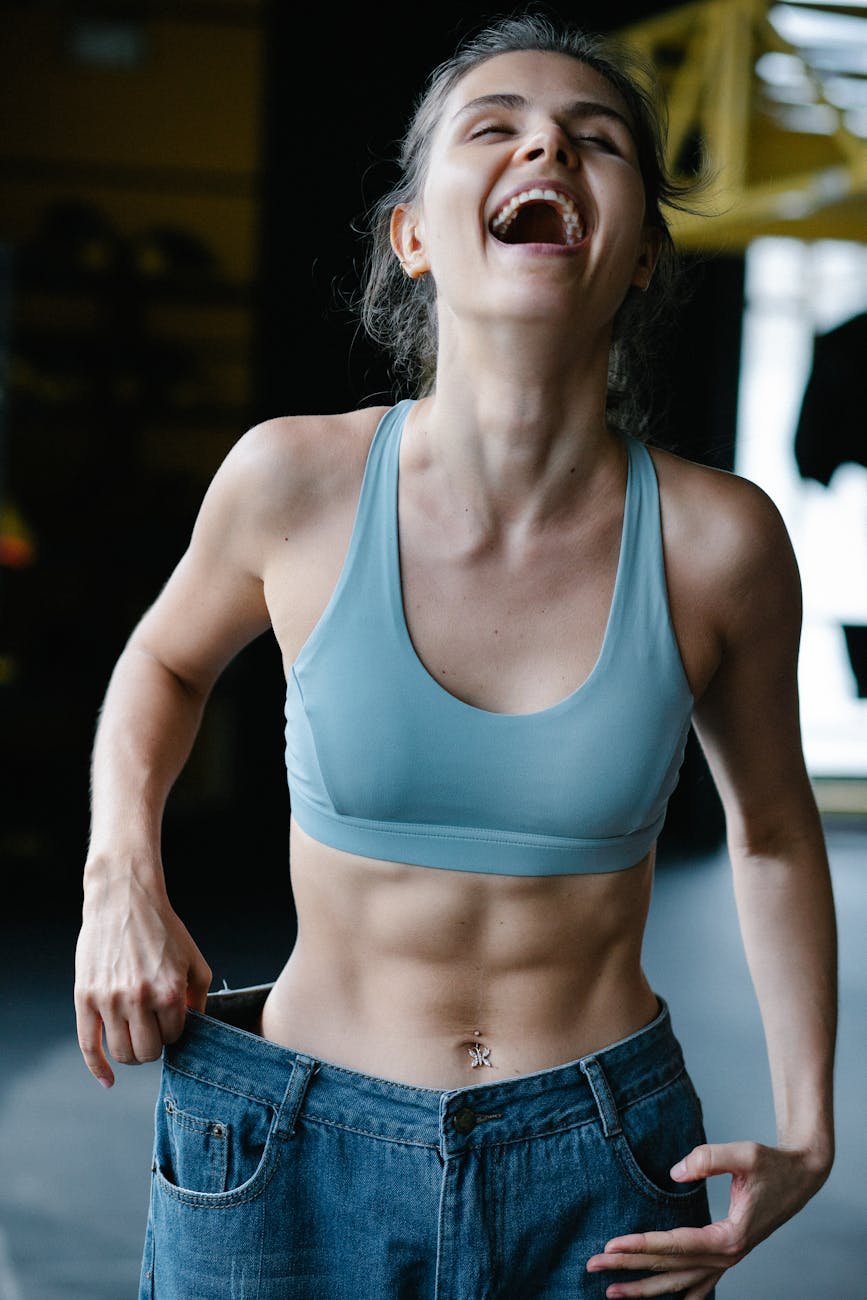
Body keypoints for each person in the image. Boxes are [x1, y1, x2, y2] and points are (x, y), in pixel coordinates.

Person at [73, 10, 838, 1299]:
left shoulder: (722, 544)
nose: (547, 143)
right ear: (414, 235)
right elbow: (162, 664)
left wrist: (812, 1127)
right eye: (497, 128)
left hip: (600, 1166)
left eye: (596, 140)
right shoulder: (292, 480)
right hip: (282, 1153)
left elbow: (769, 832)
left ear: (644, 251)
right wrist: (118, 879)